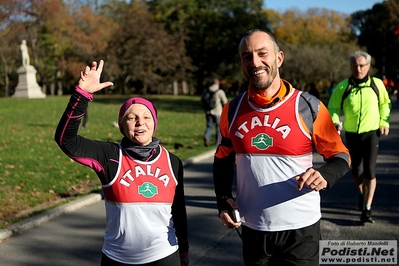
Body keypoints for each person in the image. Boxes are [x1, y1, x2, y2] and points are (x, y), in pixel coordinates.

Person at [213, 29, 350, 266]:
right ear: (242, 64)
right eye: (247, 57)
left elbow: (341, 156)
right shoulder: (232, 110)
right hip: (253, 229)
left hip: (301, 230)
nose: (255, 62)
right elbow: (222, 160)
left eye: (262, 53)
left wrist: (324, 176)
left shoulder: (308, 105)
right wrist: (223, 200)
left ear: (279, 58)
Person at [54, 60, 189, 266]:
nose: (140, 122)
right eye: (131, 118)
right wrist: (81, 95)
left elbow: (179, 212)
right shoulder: (110, 155)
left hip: (164, 256)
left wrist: (185, 253)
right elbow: (66, 141)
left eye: (146, 117)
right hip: (117, 258)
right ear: (122, 126)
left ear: (154, 124)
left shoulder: (172, 161)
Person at [328, 51, 391, 224]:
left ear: (368, 66)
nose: (358, 68)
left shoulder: (377, 85)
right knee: (356, 171)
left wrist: (384, 122)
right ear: (351, 67)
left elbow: (385, 104)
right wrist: (335, 122)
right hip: (352, 133)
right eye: (355, 65)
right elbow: (332, 107)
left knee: (370, 170)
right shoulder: (343, 87)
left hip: (372, 132)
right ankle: (362, 193)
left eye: (362, 65)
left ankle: (367, 209)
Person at [202, 78, 228, 146]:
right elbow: (225, 102)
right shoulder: (219, 91)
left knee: (209, 126)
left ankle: (206, 136)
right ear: (217, 84)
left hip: (208, 112)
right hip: (217, 112)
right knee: (218, 127)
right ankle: (218, 141)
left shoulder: (206, 90)